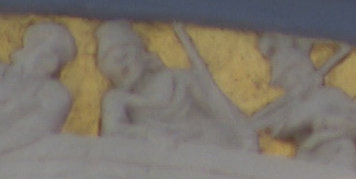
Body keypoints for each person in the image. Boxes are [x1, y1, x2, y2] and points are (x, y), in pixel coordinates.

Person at [94, 21, 252, 148]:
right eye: (113, 65)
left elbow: (217, 106)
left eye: (124, 56)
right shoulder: (116, 98)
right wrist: (149, 134)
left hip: (204, 140)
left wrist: (245, 135)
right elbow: (113, 131)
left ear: (141, 52)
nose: (124, 67)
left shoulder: (179, 79)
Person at [252, 33, 356, 169]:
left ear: (305, 72)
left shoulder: (331, 94)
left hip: (337, 153)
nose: (290, 83)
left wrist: (320, 121)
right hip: (309, 158)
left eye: (293, 76)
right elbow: (281, 129)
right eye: (286, 80)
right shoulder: (292, 107)